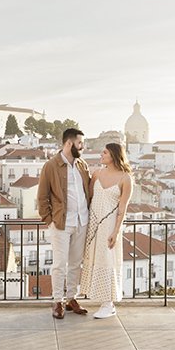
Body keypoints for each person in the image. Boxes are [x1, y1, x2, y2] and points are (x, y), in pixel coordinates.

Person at [36, 128, 93, 319]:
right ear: (69, 143)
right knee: (59, 264)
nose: (82, 147)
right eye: (80, 143)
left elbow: (88, 192)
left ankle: (71, 299)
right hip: (61, 223)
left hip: (81, 221)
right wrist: (50, 221)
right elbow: (42, 197)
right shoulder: (51, 166)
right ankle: (57, 301)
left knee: (76, 264)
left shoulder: (82, 165)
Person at [81, 143, 133, 319]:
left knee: (107, 260)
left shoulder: (126, 179)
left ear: (114, 155)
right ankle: (101, 301)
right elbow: (88, 198)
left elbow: (122, 209)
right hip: (93, 223)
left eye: (104, 152)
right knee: (95, 258)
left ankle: (108, 304)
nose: (101, 154)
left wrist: (116, 232)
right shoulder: (96, 174)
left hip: (110, 224)